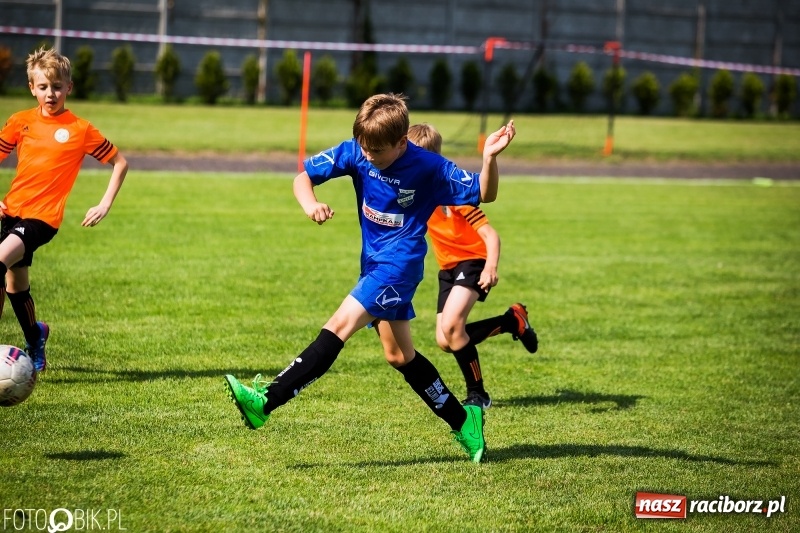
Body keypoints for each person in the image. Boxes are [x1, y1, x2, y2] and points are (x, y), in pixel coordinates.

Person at [224, 93, 515, 463]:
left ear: (401, 142)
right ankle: (464, 422)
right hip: (373, 264)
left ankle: (266, 401)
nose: (366, 156)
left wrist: (489, 157)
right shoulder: (357, 150)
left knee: (339, 325)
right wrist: (310, 204)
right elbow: (303, 177)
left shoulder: (429, 167)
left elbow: (484, 193)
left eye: (376, 150)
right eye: (363, 147)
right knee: (400, 356)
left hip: (398, 267)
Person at [0, 47, 129, 372]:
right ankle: (35, 335)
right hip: (11, 212)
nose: (50, 93)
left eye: (57, 87)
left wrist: (104, 203)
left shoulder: (80, 129)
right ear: (32, 87)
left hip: (43, 219)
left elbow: (120, 162)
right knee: (16, 286)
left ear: (69, 87)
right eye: (43, 87)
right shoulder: (20, 122)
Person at [407, 123, 538, 410]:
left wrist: (491, 266)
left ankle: (478, 393)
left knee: (453, 327)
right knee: (445, 338)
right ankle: (511, 321)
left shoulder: (454, 193)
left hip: (474, 260)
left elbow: (491, 235)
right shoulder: (414, 193)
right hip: (448, 270)